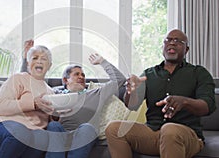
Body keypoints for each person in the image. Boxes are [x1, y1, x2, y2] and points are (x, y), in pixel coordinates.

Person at [105, 29, 216, 158]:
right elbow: (131, 106)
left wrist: (184, 102)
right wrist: (131, 91)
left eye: (178, 41)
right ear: (163, 47)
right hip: (153, 133)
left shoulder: (198, 73)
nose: (172, 43)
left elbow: (208, 106)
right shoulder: (149, 74)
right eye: (168, 40)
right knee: (113, 129)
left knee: (170, 130)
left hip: (186, 135)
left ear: (186, 50)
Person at [21, 40, 127, 158]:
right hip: (61, 134)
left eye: (83, 75)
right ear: (66, 80)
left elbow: (120, 79)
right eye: (76, 74)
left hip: (84, 136)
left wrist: (102, 62)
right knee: (53, 126)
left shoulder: (96, 93)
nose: (81, 77)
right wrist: (25, 60)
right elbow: (27, 85)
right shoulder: (54, 93)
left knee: (88, 127)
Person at [0, 45, 55, 158]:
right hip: (0, 125)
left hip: (31, 133)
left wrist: (56, 114)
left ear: (49, 66)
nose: (39, 61)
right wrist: (33, 104)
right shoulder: (18, 79)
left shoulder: (50, 92)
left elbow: (50, 121)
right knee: (21, 134)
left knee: (41, 137)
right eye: (35, 58)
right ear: (28, 64)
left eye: (44, 59)